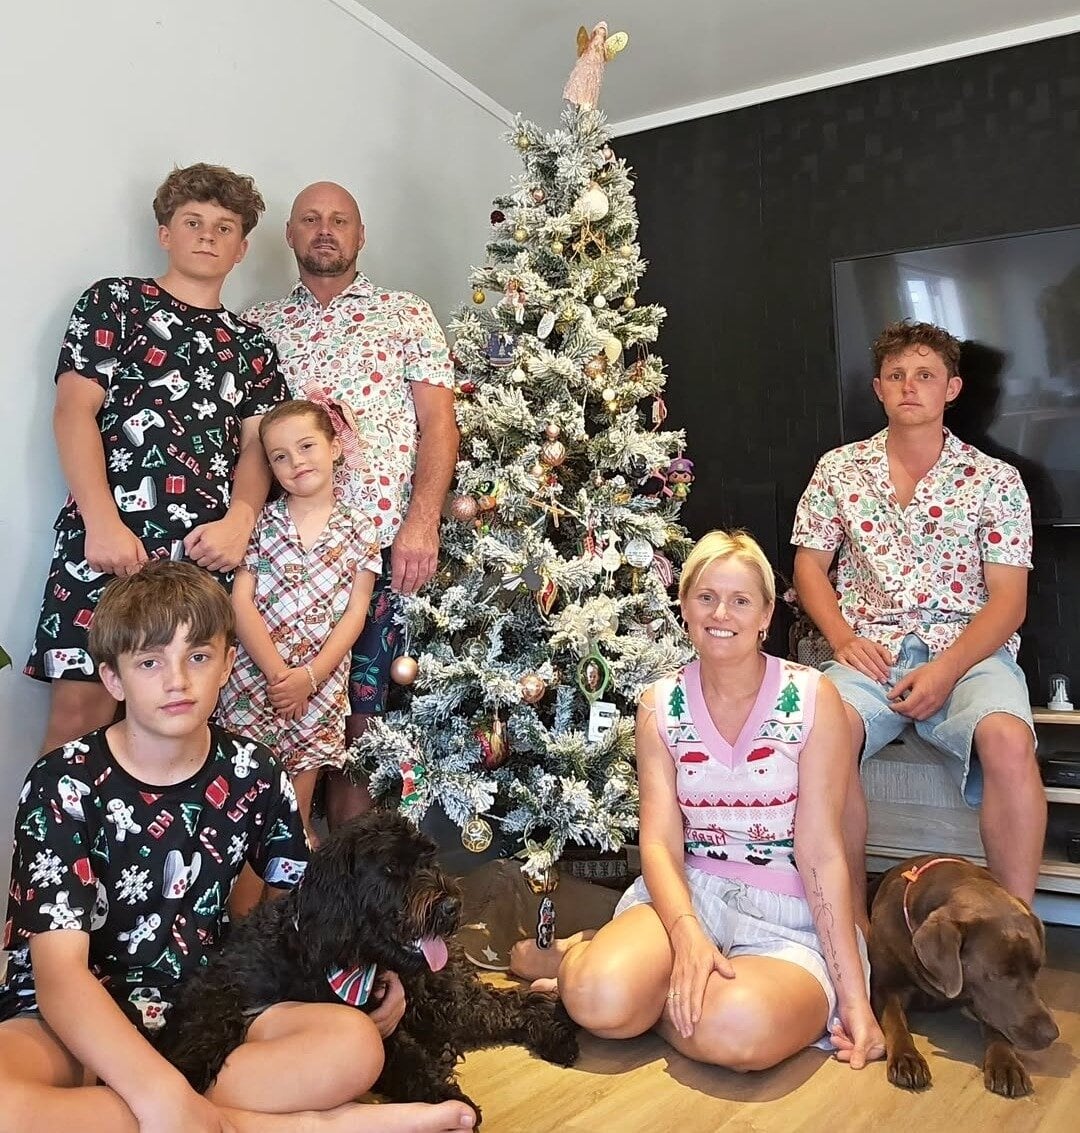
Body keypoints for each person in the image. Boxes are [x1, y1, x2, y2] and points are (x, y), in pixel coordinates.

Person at [0, 561, 476, 1133]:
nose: (177, 681)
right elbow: (59, 979)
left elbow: (303, 908)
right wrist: (160, 1095)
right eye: (149, 662)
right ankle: (306, 1126)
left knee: (354, 1045)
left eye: (198, 657)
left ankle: (178, 1117)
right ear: (113, 679)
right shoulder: (62, 781)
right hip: (72, 1022)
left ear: (227, 663)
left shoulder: (254, 771)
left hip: (206, 1007)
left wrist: (378, 972)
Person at [511, 531, 884, 1072]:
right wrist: (686, 934)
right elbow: (660, 844)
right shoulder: (659, 706)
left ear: (766, 615)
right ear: (684, 606)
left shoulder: (813, 698)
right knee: (597, 998)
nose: (721, 614)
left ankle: (642, 995)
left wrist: (856, 1000)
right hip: (691, 897)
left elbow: (822, 852)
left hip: (790, 916)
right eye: (706, 597)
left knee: (736, 1031)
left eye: (740, 600)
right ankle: (600, 974)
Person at [26, 163, 288, 756]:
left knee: (180, 727)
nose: (208, 236)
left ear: (242, 248)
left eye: (224, 228)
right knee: (80, 718)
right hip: (106, 545)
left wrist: (240, 521)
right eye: (193, 222)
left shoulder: (253, 346)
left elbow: (258, 445)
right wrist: (101, 523)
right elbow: (73, 412)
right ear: (165, 233)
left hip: (202, 555)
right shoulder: (114, 302)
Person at [791, 319, 1044, 915]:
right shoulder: (838, 470)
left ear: (951, 388)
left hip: (969, 652)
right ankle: (850, 930)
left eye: (925, 375)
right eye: (897, 375)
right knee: (823, 736)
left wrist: (946, 669)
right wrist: (843, 638)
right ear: (878, 388)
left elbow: (1009, 601)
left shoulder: (996, 480)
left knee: (1009, 740)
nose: (910, 386)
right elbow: (809, 567)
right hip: (869, 652)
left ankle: (1015, 930)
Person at [243, 182, 459, 828]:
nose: (325, 230)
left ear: (360, 235)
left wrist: (422, 522)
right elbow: (248, 444)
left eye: (340, 220)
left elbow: (439, 425)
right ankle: (280, 872)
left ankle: (349, 875)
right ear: (290, 234)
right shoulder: (257, 325)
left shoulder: (406, 314)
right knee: (277, 714)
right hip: (286, 563)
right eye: (310, 219)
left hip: (382, 551)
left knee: (362, 725)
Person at [218, 398, 382, 853]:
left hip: (319, 687)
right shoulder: (261, 523)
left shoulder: (360, 529)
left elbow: (356, 612)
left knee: (294, 818)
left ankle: (284, 892)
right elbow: (240, 602)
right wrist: (279, 676)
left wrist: (308, 679)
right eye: (280, 456)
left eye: (306, 446)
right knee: (239, 796)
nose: (296, 462)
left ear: (334, 447)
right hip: (254, 681)